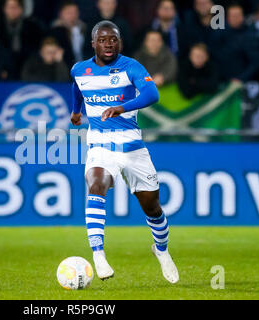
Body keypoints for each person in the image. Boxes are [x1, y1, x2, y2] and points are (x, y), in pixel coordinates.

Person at [70, 20, 179, 283]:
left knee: (152, 208)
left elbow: (152, 94)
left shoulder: (131, 66)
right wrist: (76, 111)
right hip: (100, 146)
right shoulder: (79, 69)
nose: (109, 44)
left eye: (114, 39)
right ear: (93, 43)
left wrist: (122, 107)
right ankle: (98, 254)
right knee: (96, 185)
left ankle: (161, 250)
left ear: (120, 42)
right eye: (103, 40)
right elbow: (77, 88)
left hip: (132, 147)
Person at [0, 0, 44, 79]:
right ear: (4, 9)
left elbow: (36, 50)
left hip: (28, 67)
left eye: (15, 7)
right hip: (5, 68)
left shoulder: (33, 27)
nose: (12, 11)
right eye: (10, 7)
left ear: (21, 9)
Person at [218, 4, 259, 83]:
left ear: (243, 17)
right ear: (227, 18)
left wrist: (241, 78)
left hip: (245, 82)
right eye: (233, 16)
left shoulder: (250, 35)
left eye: (238, 15)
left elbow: (256, 62)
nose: (236, 18)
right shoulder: (219, 34)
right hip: (222, 81)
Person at [50, 1, 86, 67]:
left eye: (75, 12)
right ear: (61, 14)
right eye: (69, 13)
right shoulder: (54, 33)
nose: (73, 16)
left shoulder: (85, 29)